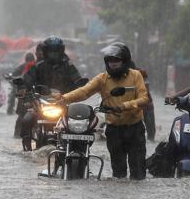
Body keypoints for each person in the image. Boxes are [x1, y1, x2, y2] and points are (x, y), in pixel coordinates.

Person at [57, 42, 149, 180]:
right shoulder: (102, 79)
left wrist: (125, 106)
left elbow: (144, 99)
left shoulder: (136, 76)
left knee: (138, 173)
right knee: (118, 174)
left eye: (116, 60)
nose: (113, 63)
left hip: (134, 129)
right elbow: (84, 91)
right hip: (113, 130)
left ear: (124, 60)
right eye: (110, 60)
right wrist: (64, 98)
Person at [20, 36, 82, 151]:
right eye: (51, 51)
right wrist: (23, 87)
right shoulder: (38, 67)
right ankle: (27, 150)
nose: (53, 54)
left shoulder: (69, 67)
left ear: (61, 51)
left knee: (78, 122)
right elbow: (27, 80)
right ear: (45, 52)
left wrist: (80, 85)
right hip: (42, 103)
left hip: (64, 102)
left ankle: (76, 150)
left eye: (56, 51)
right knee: (26, 120)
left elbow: (78, 80)